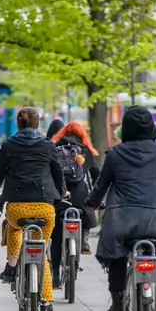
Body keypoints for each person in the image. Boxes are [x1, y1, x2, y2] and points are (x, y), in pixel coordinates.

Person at [85, 106, 156, 311]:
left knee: (117, 257)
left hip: (123, 222)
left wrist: (92, 204)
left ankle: (119, 305)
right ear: (151, 127)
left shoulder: (115, 154)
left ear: (126, 128)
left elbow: (101, 186)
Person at [0, 107, 67, 311]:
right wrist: (63, 192)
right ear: (37, 124)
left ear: (18, 124)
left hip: (17, 208)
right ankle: (47, 306)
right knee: (44, 252)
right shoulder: (48, 145)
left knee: (13, 227)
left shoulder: (9, 144)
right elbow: (57, 171)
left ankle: (11, 266)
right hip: (44, 209)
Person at [50, 121, 101, 287]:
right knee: (85, 211)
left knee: (57, 234)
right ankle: (83, 240)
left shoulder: (54, 148)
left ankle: (56, 275)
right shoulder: (85, 150)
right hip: (80, 197)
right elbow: (97, 175)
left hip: (60, 197)